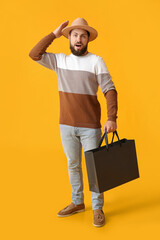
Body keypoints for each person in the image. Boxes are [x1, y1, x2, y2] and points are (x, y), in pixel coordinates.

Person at [29, 17, 118, 227]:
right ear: (68, 38)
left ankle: (97, 208)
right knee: (73, 165)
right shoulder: (60, 60)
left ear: (88, 40)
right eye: (75, 34)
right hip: (66, 125)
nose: (79, 39)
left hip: (91, 127)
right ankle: (77, 202)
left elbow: (110, 90)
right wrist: (53, 34)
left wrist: (111, 118)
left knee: (94, 167)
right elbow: (34, 54)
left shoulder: (96, 61)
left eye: (83, 35)